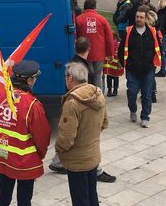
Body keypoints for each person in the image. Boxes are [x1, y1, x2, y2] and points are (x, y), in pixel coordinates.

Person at [0, 60, 51, 206]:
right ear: (29, 81)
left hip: (3, 157)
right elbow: (42, 137)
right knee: (24, 203)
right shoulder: (32, 105)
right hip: (25, 164)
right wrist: (40, 156)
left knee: (3, 199)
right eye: (34, 79)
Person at [48, 37, 116, 183]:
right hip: (85, 109)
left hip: (81, 107)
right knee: (87, 141)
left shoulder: (74, 63)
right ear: (88, 49)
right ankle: (96, 171)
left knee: (77, 136)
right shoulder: (83, 66)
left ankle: (57, 162)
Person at [56, 62, 107, 206]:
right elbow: (104, 123)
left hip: (77, 162)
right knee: (92, 196)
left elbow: (66, 138)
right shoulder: (97, 93)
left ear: (70, 78)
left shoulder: (72, 103)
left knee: (80, 203)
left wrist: (58, 149)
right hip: (93, 156)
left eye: (65, 77)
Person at [118, 5, 162, 128]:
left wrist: (153, 65)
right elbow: (121, 50)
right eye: (137, 17)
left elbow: (158, 49)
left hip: (148, 70)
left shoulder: (152, 32)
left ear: (146, 18)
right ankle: (133, 109)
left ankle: (145, 117)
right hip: (132, 69)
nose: (138, 19)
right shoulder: (129, 32)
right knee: (131, 92)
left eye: (141, 17)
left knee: (146, 94)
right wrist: (125, 64)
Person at [75, 0, 114, 88]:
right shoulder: (102, 19)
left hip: (83, 54)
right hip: (99, 54)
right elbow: (109, 38)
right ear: (94, 8)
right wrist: (110, 53)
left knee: (85, 77)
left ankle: (86, 96)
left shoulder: (78, 20)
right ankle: (98, 97)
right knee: (97, 77)